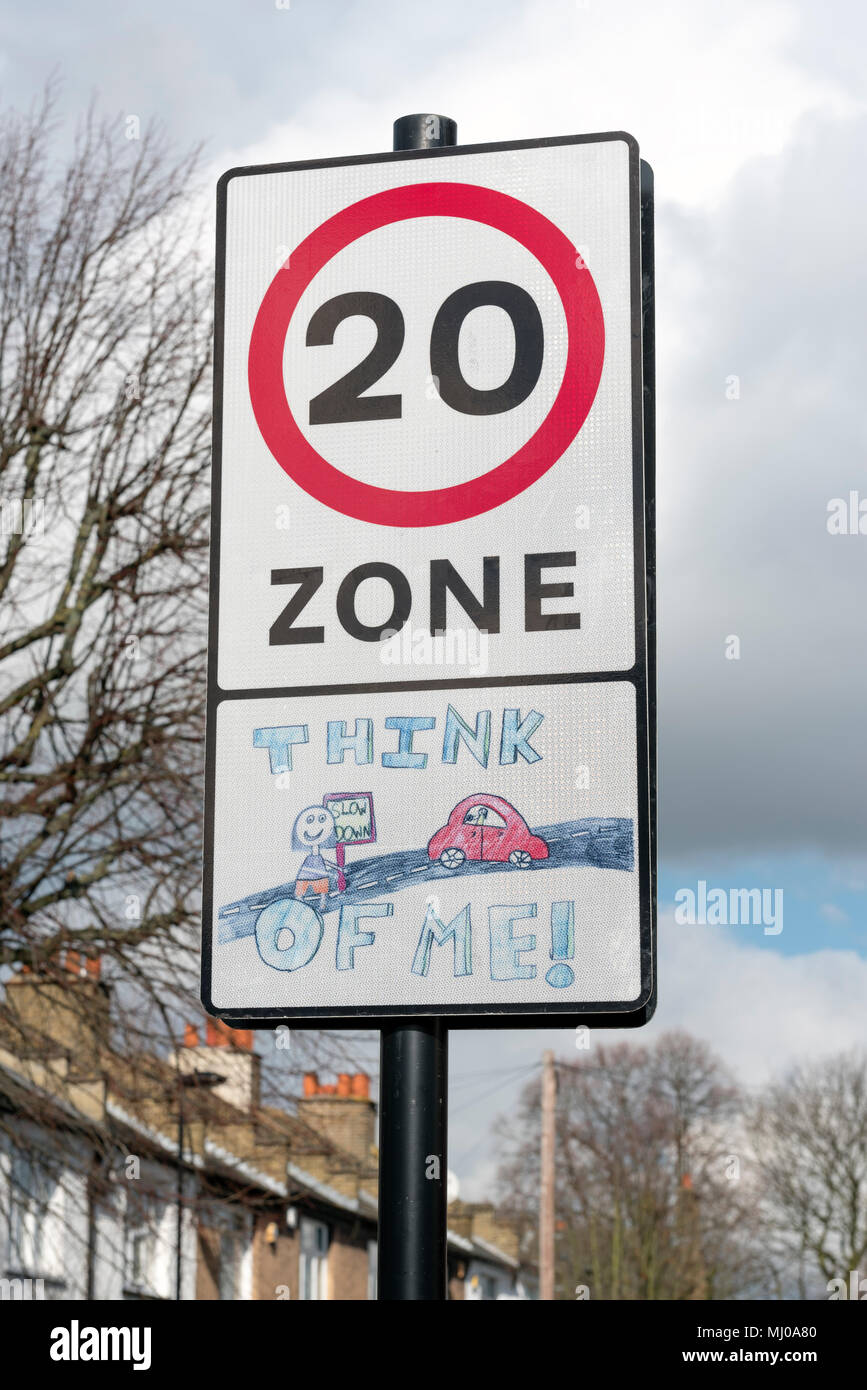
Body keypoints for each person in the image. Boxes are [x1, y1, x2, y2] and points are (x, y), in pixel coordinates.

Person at [291, 805, 339, 911]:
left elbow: (323, 863)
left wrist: (338, 868)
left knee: (322, 894)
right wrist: (332, 873)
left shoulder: (317, 859)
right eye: (310, 820)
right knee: (302, 895)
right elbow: (315, 868)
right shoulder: (310, 860)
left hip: (315, 877)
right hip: (307, 877)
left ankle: (321, 907)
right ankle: (306, 908)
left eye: (322, 819)